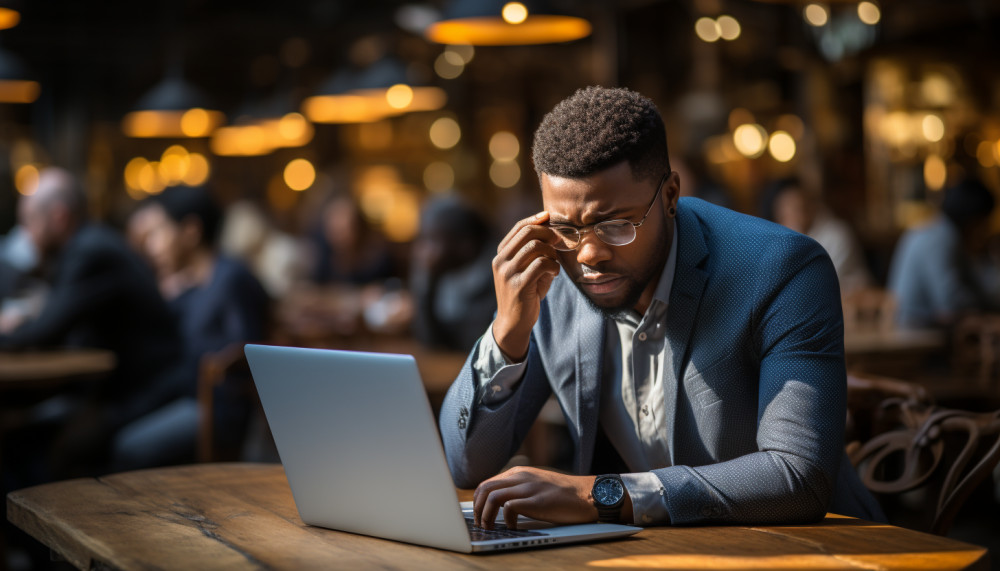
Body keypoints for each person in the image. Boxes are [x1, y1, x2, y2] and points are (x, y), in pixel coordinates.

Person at [438, 86, 883, 530]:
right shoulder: (553, 277)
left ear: (670, 195)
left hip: (808, 548)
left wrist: (599, 494)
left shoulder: (781, 269)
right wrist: (507, 332)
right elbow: (466, 465)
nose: (588, 254)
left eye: (615, 224)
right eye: (565, 227)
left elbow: (798, 475)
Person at [0, 167, 183, 476]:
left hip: (145, 393)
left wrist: (18, 328)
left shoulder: (91, 252)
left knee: (37, 448)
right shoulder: (91, 244)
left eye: (29, 221)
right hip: (120, 386)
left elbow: (46, 332)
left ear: (58, 217)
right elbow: (54, 319)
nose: (24, 234)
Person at [112, 186, 271, 470]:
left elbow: (250, 352)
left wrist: (214, 368)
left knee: (127, 446)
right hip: (185, 393)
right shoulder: (191, 284)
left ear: (190, 231)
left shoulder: (232, 279)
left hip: (217, 408)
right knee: (113, 422)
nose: (153, 246)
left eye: (160, 232)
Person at [887, 177, 998, 329]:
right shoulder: (942, 238)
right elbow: (951, 302)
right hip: (914, 331)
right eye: (983, 222)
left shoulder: (941, 231)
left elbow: (972, 284)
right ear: (973, 217)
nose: (984, 230)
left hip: (921, 325)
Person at [409, 194, 497, 352]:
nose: (423, 251)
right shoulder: (441, 276)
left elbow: (471, 345)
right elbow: (428, 340)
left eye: (433, 240)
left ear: (465, 245)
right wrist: (426, 281)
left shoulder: (495, 277)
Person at [766, 178, 872, 296]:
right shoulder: (778, 240)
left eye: (798, 207)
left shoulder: (836, 233)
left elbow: (819, 282)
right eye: (786, 209)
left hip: (849, 303)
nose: (794, 213)